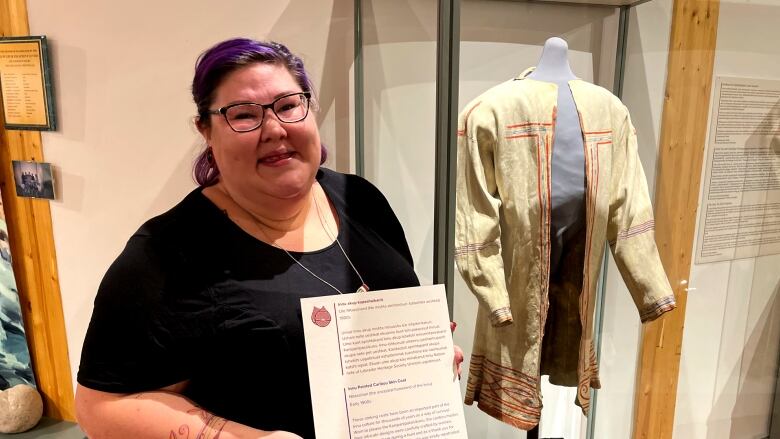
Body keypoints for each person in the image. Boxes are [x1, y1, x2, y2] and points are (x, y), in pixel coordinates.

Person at [75, 38, 461, 439]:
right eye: (243, 115)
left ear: (310, 108)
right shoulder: (166, 252)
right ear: (206, 131)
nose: (275, 129)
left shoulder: (362, 201)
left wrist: (422, 366)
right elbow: (98, 407)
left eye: (289, 105)